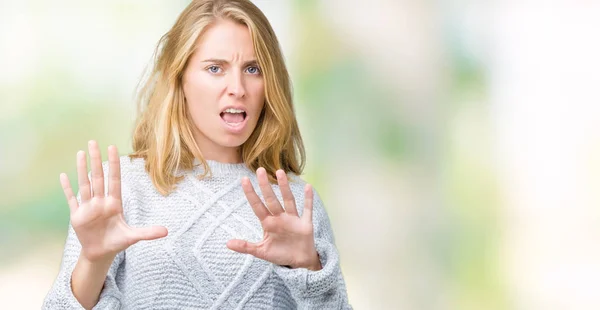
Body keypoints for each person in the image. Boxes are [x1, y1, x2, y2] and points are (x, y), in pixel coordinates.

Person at [42, 0, 351, 309]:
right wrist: (93, 261)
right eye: (215, 68)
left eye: (252, 69)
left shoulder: (295, 204)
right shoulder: (120, 189)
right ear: (180, 79)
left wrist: (309, 270)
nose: (237, 88)